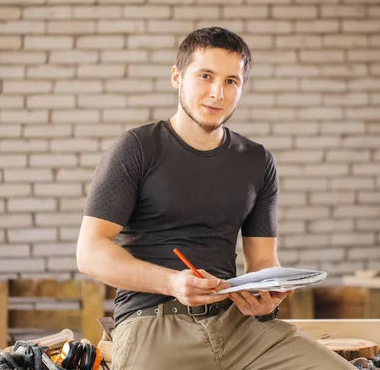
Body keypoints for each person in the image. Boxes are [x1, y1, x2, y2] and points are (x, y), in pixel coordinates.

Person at [76, 27, 355, 370]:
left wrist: (268, 296)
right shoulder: (135, 149)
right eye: (205, 76)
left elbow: (264, 260)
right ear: (177, 77)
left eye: (231, 82)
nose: (217, 93)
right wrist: (173, 282)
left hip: (240, 326)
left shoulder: (257, 161)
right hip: (153, 321)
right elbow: (89, 253)